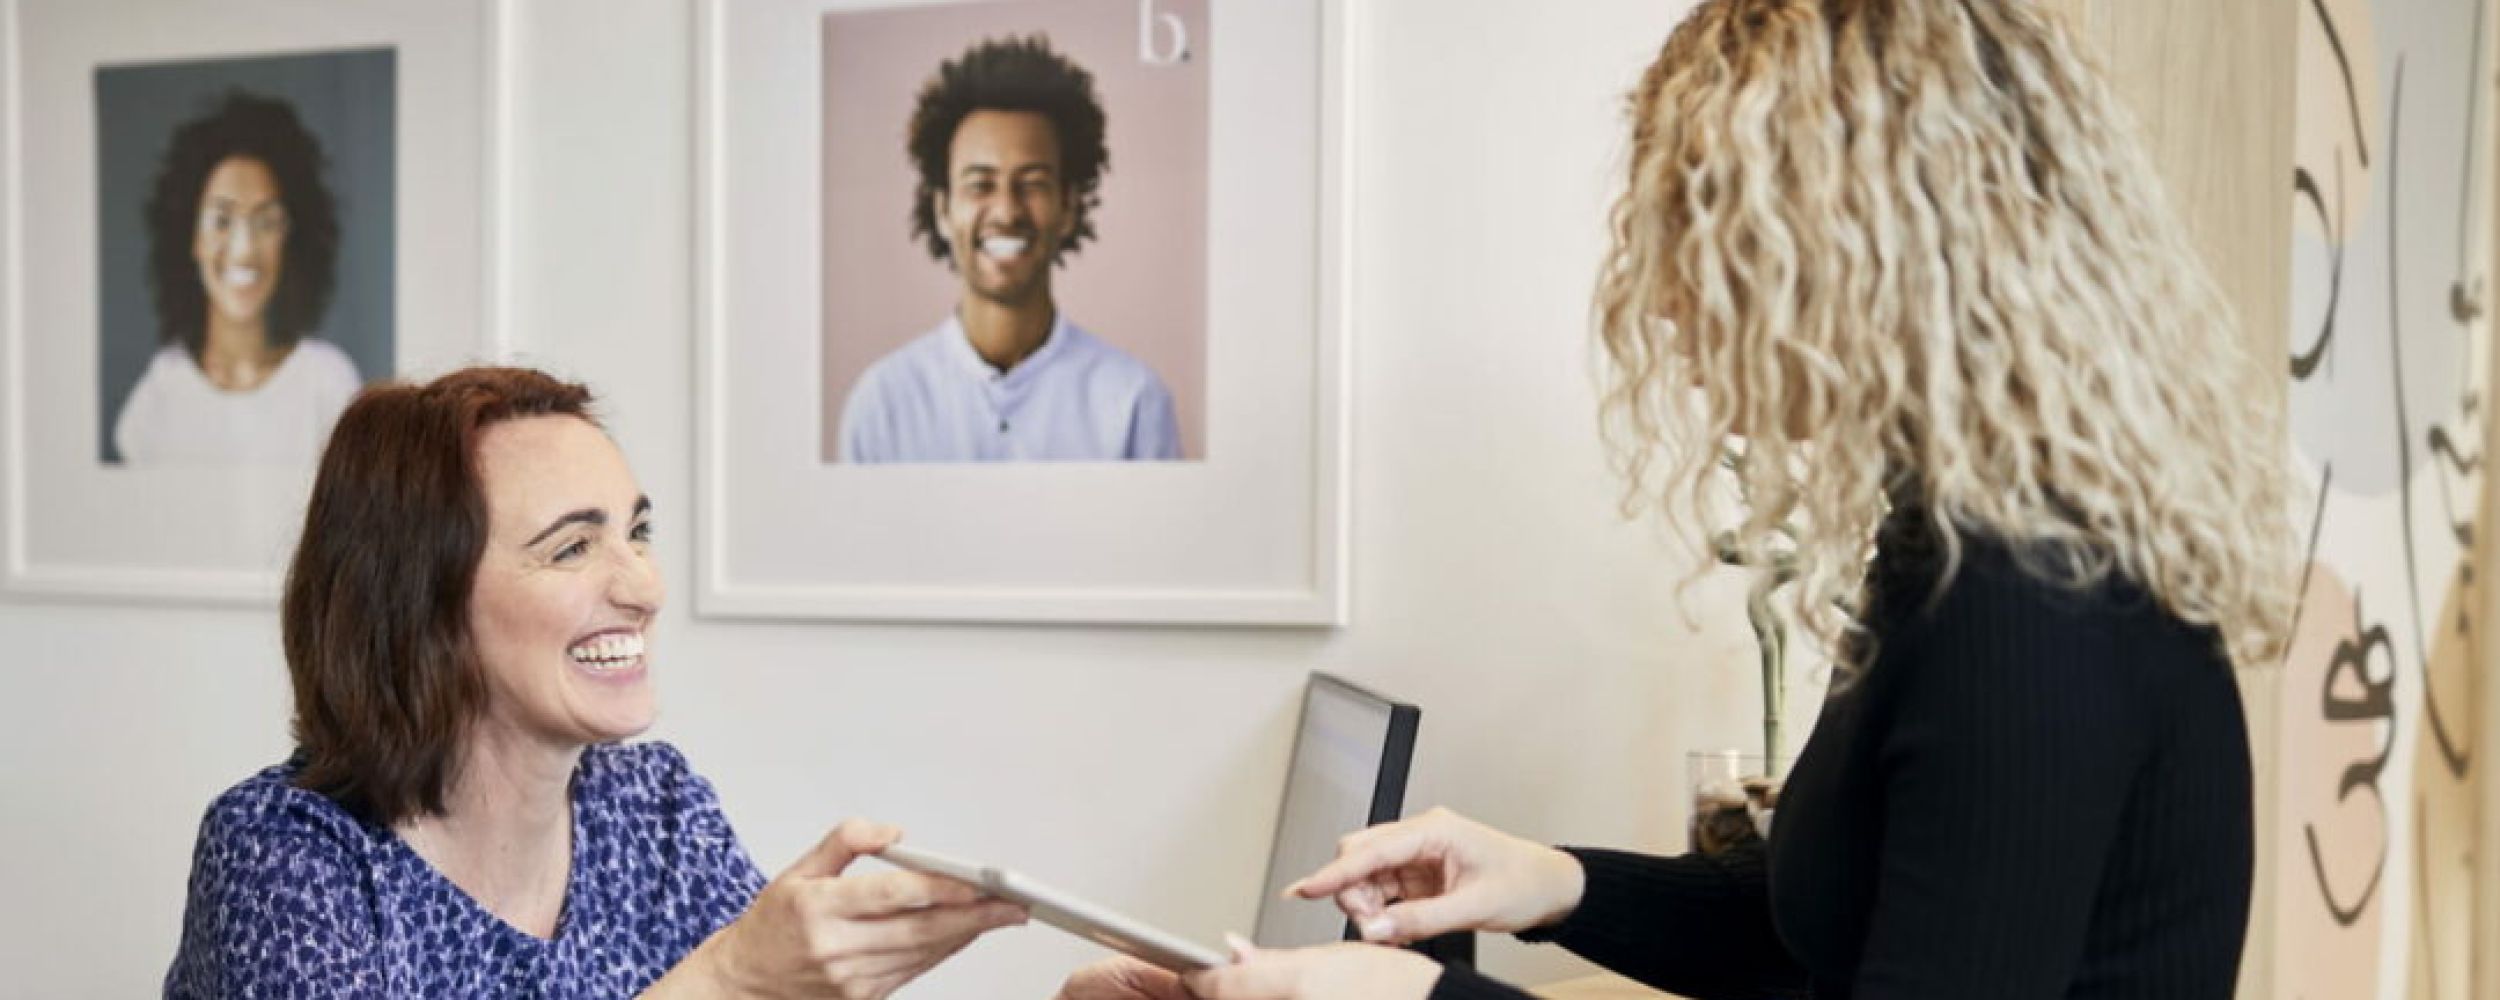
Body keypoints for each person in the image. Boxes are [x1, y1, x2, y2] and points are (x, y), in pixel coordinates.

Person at [1063, 0, 2298, 998]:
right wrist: (1543, 880)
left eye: (1707, 242)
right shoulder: (1956, 537)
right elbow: (1820, 920)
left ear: (1863, 255)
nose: (1661, 300)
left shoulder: (2030, 603)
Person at [165, 368, 1028, 997]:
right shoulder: (283, 853)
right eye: (573, 547)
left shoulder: (655, 811)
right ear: (420, 602)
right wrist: (728, 979)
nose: (644, 588)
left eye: (636, 533)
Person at [836, 35, 1181, 464]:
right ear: (942, 211)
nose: (1006, 211)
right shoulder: (881, 405)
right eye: (980, 184)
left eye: (1033, 183)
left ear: (1068, 207)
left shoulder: (1135, 402)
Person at [114, 91, 367, 465]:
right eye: (221, 220)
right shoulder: (159, 396)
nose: (244, 249)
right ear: (191, 237)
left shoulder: (329, 385)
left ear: (291, 238)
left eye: (266, 222)